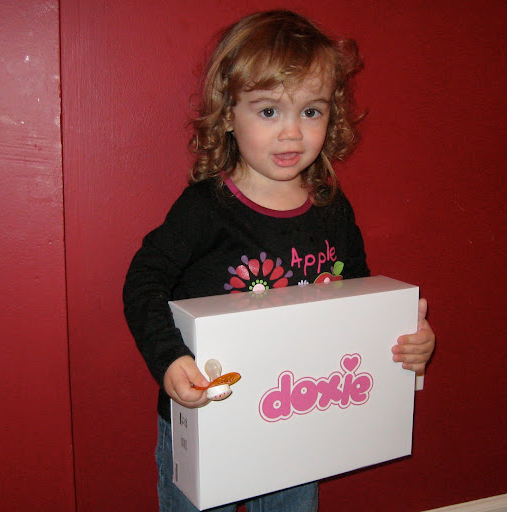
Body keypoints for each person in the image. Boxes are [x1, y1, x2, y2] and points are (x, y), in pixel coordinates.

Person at [123, 9, 435, 512]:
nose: (292, 133)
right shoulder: (205, 209)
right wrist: (170, 360)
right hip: (206, 410)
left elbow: (358, 302)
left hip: (297, 414)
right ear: (229, 114)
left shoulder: (331, 208)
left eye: (310, 111)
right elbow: (144, 281)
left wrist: (405, 341)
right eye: (269, 112)